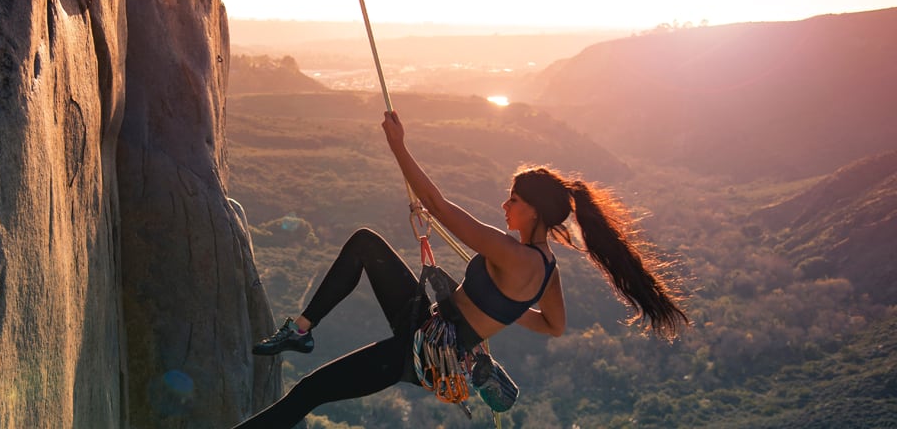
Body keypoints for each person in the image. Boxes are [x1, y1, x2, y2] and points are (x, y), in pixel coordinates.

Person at [234, 111, 689, 428]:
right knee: (366, 244)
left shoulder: (512, 254)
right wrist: (500, 314)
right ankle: (303, 330)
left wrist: (399, 147)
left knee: (308, 394)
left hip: (421, 353)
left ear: (533, 211)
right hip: (432, 326)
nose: (504, 206)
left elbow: (437, 203)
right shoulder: (548, 270)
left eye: (513, 200)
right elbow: (554, 326)